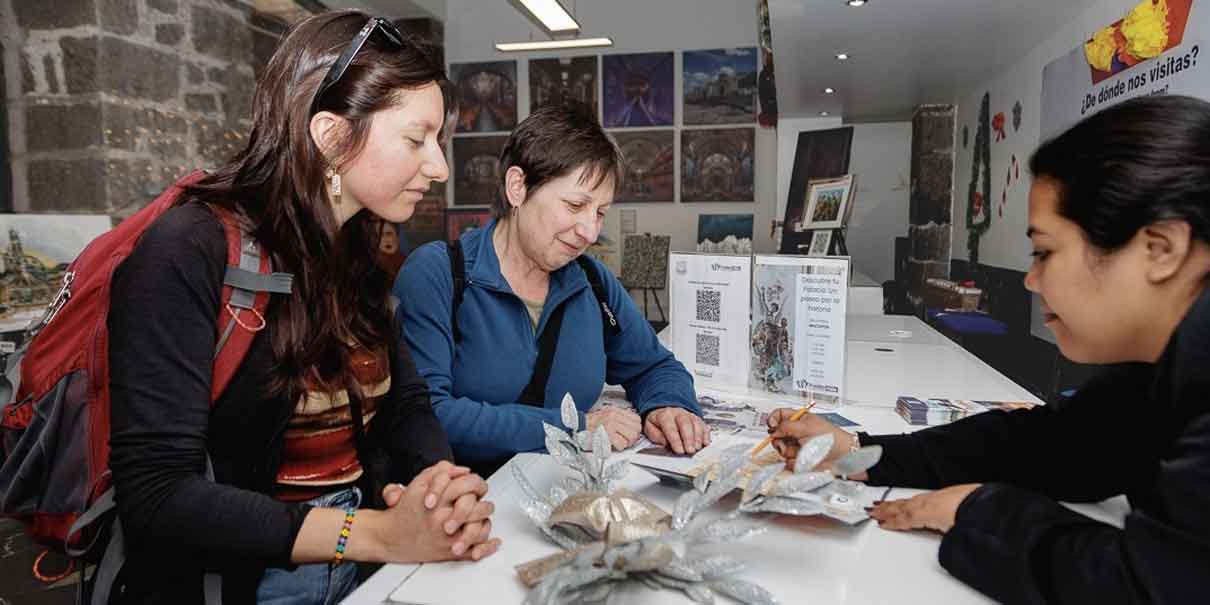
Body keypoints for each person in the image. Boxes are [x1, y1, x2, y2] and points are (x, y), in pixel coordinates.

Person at [107, 12, 499, 604]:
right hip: (241, 580)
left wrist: (439, 487)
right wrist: (378, 534)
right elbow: (159, 493)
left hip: (357, 568)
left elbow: (407, 404)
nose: (439, 166)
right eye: (417, 140)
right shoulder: (187, 251)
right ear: (331, 136)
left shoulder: (355, 253)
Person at [766, 94, 1210, 603]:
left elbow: (1145, 587)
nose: (1032, 281)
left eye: (1045, 252)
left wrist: (975, 510)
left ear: (1161, 249)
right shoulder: (1162, 371)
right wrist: (864, 453)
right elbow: (1059, 447)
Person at [395, 103, 707, 474]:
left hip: (564, 493)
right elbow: (428, 414)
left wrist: (669, 405)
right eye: (575, 205)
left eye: (600, 212)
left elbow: (653, 365)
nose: (590, 232)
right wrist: (573, 427)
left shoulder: (592, 280)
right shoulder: (438, 274)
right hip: (466, 504)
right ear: (518, 187)